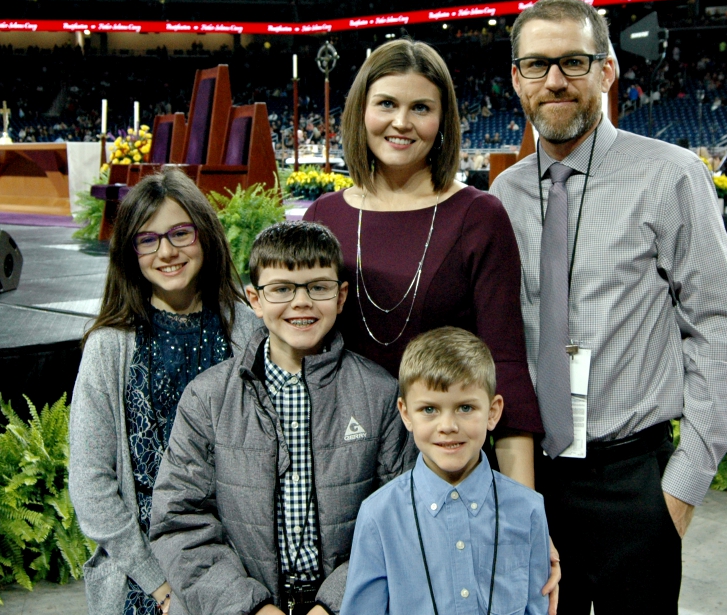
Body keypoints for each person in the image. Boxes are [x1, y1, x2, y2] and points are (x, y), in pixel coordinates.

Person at [489, 0, 727, 613]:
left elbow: (721, 332)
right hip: (529, 474)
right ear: (516, 79)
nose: (554, 80)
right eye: (536, 65)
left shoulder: (671, 175)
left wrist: (681, 490)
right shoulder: (503, 192)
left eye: (574, 62)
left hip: (631, 480)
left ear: (607, 71)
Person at [302, 39, 543, 488]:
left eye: (420, 108)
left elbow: (505, 366)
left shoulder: (480, 217)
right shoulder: (324, 216)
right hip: (337, 462)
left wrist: (523, 515)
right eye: (387, 104)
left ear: (443, 119)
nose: (401, 122)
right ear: (361, 111)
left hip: (446, 464)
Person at [149, 221, 413, 615]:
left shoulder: (378, 393)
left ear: (341, 297)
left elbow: (401, 516)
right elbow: (179, 520)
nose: (301, 302)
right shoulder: (208, 398)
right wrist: (250, 607)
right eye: (282, 289)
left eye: (318, 287)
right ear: (255, 299)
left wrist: (336, 603)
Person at [69, 169, 259, 615]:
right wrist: (159, 584)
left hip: (241, 571)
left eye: (179, 233)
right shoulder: (109, 346)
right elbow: (91, 482)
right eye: (148, 240)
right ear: (130, 253)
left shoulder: (249, 330)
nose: (167, 251)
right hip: (145, 579)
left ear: (205, 234)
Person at [340, 327, 550, 615]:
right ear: (405, 413)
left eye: (465, 407)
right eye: (429, 409)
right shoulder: (379, 515)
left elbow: (536, 608)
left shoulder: (528, 509)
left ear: (493, 412)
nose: (448, 425)